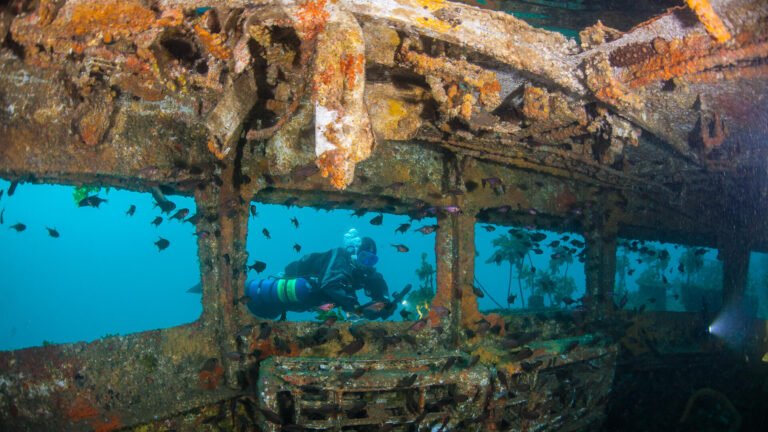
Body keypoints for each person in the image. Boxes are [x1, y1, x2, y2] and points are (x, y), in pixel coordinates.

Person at [244, 229, 395, 320]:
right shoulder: (341, 257)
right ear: (354, 253)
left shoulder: (360, 273)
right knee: (251, 304)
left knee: (269, 315)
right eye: (363, 257)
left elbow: (375, 281)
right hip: (292, 291)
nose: (366, 264)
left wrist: (384, 302)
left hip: (298, 303)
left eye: (371, 260)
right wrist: (357, 309)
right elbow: (330, 284)